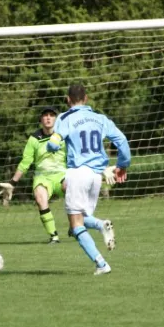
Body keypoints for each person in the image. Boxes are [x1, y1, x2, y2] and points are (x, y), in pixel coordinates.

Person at [0, 106, 117, 244]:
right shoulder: (34, 139)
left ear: (56, 119)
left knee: (72, 194)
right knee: (40, 197)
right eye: (45, 115)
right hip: (42, 177)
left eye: (51, 115)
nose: (48, 117)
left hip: (63, 174)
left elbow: (83, 154)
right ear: (41, 119)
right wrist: (12, 183)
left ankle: (75, 224)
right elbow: (25, 162)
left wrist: (102, 168)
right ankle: (54, 236)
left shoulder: (64, 136)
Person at [47, 85, 130, 275]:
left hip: (77, 173)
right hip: (96, 176)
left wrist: (52, 147)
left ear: (68, 99)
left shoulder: (64, 118)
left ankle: (102, 265)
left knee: (75, 225)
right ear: (86, 98)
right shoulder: (101, 119)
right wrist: (122, 164)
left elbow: (54, 142)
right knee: (80, 219)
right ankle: (101, 225)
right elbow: (122, 141)